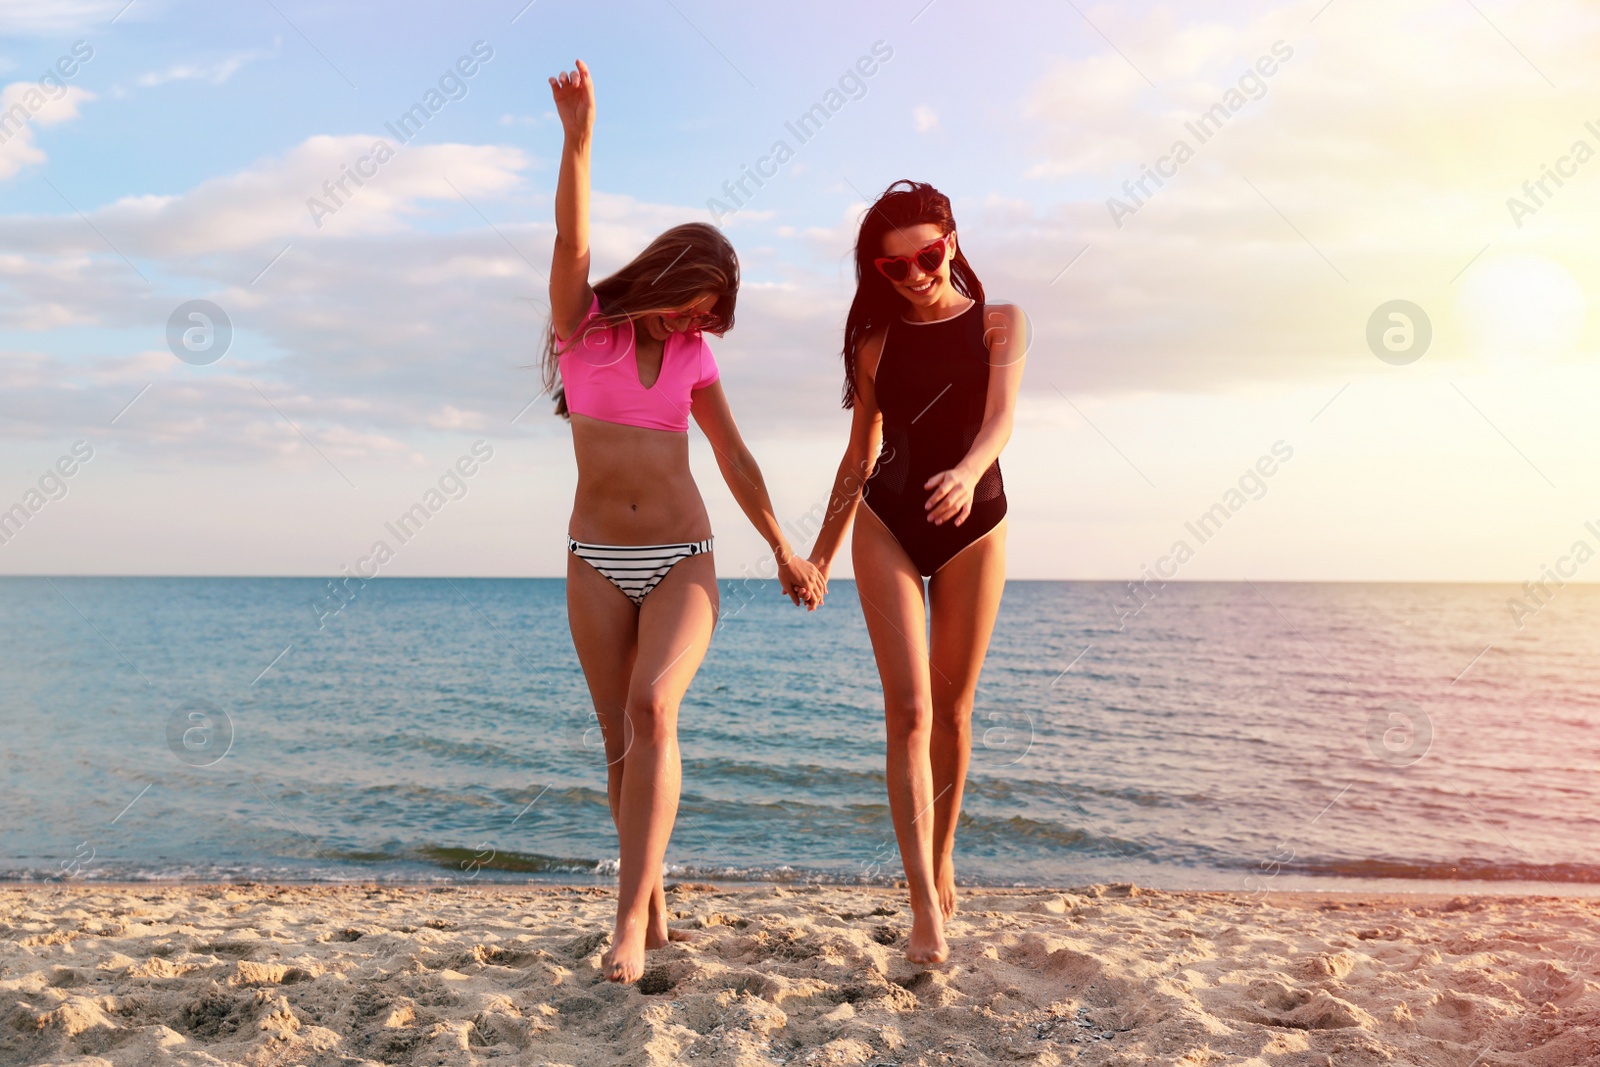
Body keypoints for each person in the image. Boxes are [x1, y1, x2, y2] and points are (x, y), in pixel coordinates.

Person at [544, 60, 825, 983]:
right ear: (668, 275)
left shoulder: (698, 360)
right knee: (617, 740)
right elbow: (571, 237)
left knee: (654, 705)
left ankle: (627, 923)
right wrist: (579, 139)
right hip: (594, 559)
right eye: (696, 302)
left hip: (681, 558)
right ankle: (655, 914)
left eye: (710, 315)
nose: (698, 321)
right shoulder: (583, 329)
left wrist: (783, 546)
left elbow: (736, 459)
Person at [807, 181, 1025, 964]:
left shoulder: (1000, 324)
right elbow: (860, 450)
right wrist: (820, 555)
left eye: (928, 256)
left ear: (953, 243)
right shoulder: (874, 343)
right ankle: (923, 901)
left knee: (955, 711)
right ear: (879, 271)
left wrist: (967, 471)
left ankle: (943, 854)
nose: (915, 273)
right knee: (908, 713)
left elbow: (1000, 417)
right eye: (894, 267)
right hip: (886, 524)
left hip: (976, 526)